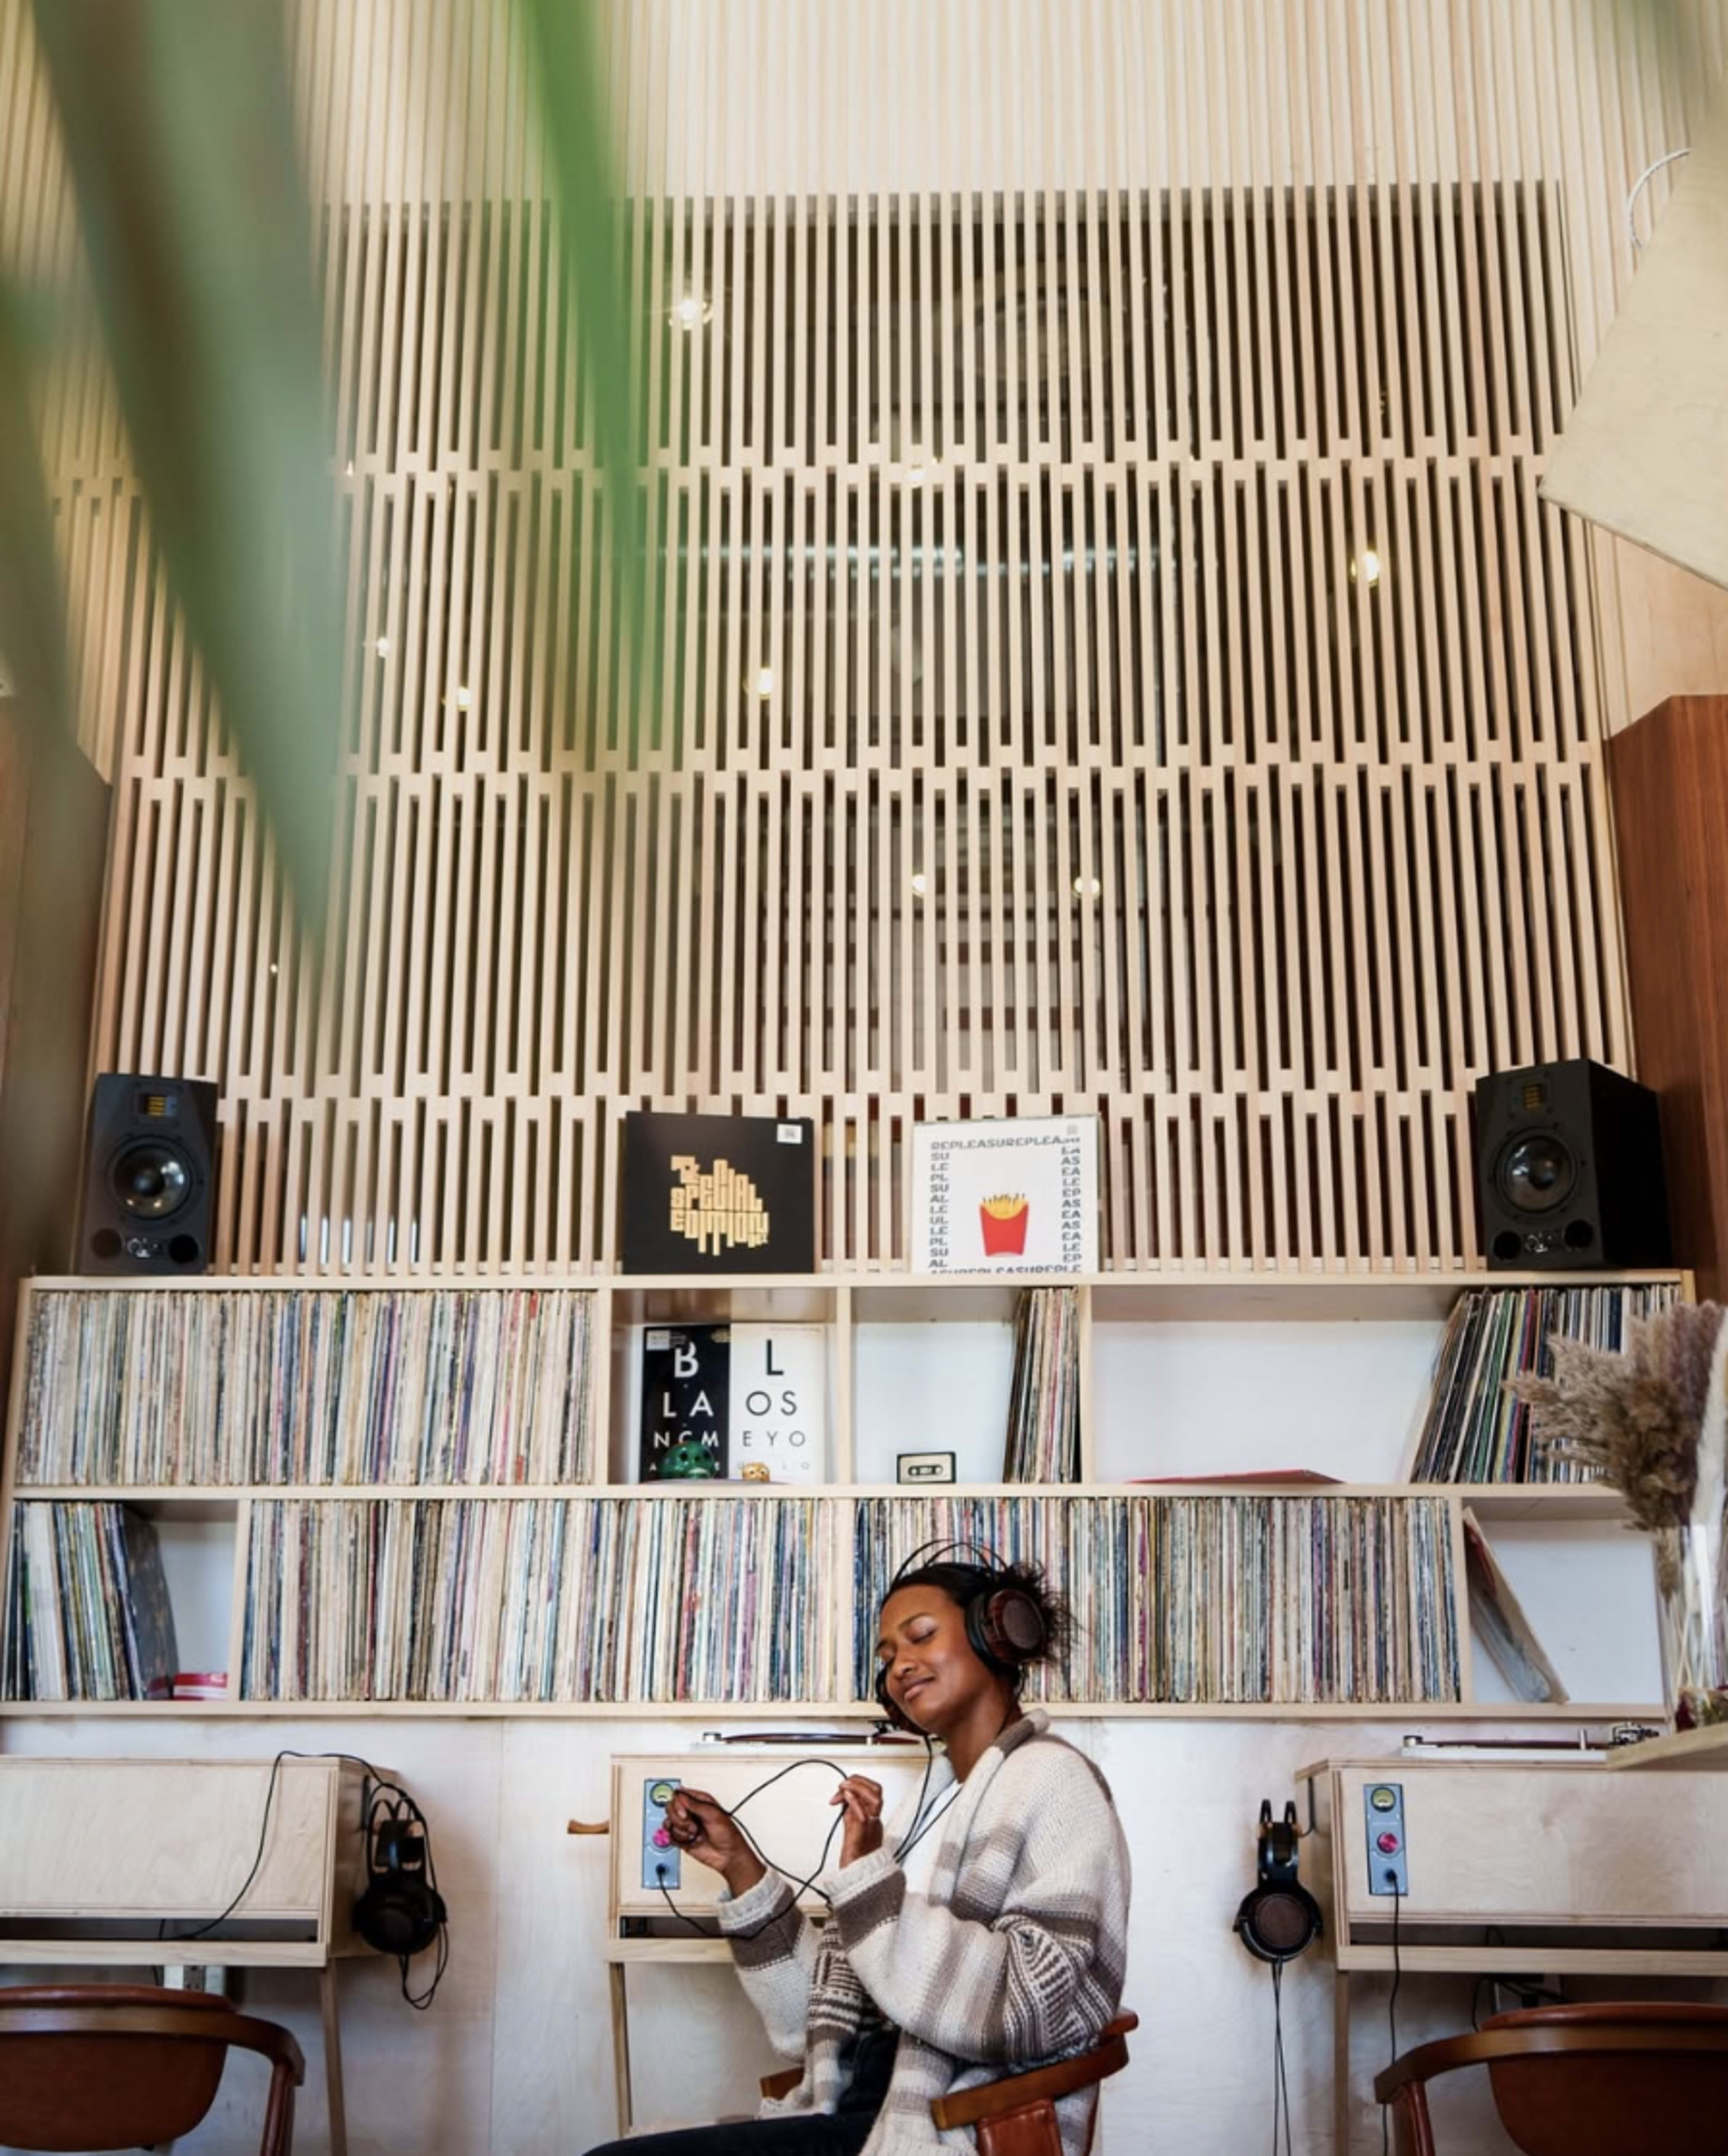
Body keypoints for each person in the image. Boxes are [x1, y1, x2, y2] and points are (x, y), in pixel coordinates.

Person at [581, 1546, 1131, 2156]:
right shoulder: (931, 1805)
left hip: (949, 2128)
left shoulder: (1056, 1781)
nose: (900, 1665)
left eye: (921, 1636)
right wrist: (739, 1865)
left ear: (998, 1635)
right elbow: (812, 2026)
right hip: (869, 2109)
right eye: (888, 1656)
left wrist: (871, 1884)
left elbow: (1035, 2004)